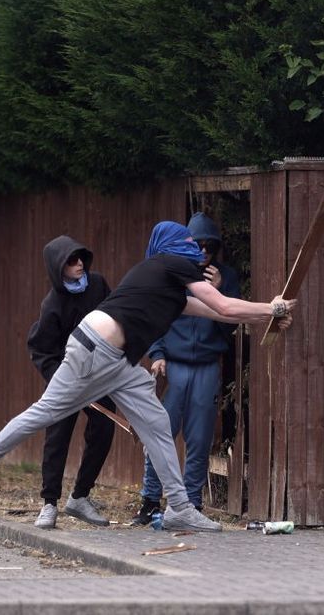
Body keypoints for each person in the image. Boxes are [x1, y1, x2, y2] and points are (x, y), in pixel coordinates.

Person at [0, 221, 296, 531]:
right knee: (43, 414)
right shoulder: (169, 263)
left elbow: (216, 313)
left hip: (119, 362)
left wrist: (264, 316)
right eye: (187, 239)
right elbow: (222, 305)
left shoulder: (170, 288)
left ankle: (178, 506)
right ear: (172, 245)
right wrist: (273, 307)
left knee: (157, 423)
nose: (195, 246)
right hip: (92, 352)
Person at [133, 212, 240, 525]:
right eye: (199, 245)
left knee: (200, 438)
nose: (204, 251)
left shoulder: (226, 276)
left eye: (210, 246)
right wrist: (157, 353)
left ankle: (191, 504)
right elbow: (156, 315)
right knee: (160, 434)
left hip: (207, 365)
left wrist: (221, 291)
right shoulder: (173, 272)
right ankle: (150, 500)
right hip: (173, 365)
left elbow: (229, 324)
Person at [27, 236, 116, 529]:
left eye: (81, 258)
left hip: (97, 376)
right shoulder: (52, 304)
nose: (79, 264)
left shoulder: (99, 285)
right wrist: (61, 382)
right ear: (58, 267)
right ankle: (49, 503)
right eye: (71, 260)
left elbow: (115, 320)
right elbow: (41, 349)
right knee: (57, 436)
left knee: (103, 427)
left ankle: (80, 497)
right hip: (63, 378)